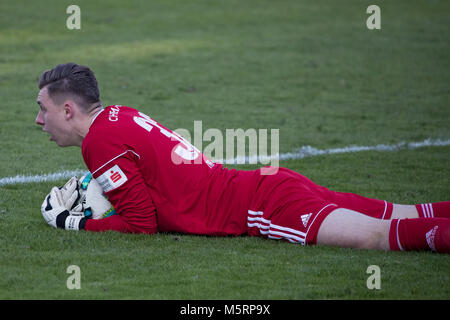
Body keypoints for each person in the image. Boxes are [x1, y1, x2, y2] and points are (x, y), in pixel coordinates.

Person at [35, 63, 450, 253]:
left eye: (43, 108)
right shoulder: (117, 116)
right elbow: (150, 188)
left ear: (68, 110)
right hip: (267, 184)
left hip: (264, 206)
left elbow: (142, 226)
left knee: (375, 237)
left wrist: (77, 223)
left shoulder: (98, 143)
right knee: (405, 212)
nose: (39, 120)